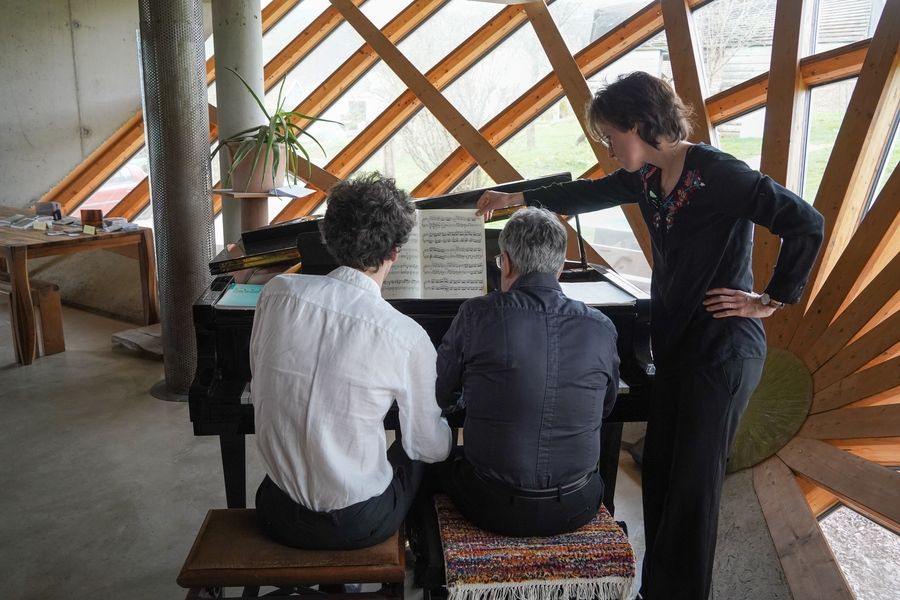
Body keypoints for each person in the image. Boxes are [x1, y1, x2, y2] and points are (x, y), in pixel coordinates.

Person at [476, 72, 824, 598]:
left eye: (610, 136)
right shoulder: (646, 177)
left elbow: (805, 221)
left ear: (638, 125)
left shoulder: (716, 172)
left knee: (692, 494)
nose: (609, 148)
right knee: (659, 473)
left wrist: (769, 300)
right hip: (678, 348)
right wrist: (516, 196)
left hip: (723, 353)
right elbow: (586, 193)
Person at [250, 172, 453, 550]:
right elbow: (427, 447)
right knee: (423, 450)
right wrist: (453, 428)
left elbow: (260, 373)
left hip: (275, 510)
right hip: (356, 525)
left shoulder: (277, 294)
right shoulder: (406, 336)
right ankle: (425, 554)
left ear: (329, 237)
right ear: (395, 253)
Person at [434, 207, 620, 537]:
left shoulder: (476, 314)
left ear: (505, 263)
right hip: (576, 505)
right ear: (560, 268)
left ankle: (427, 551)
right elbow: (605, 407)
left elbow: (443, 396)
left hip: (490, 505)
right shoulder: (601, 327)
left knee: (430, 462)